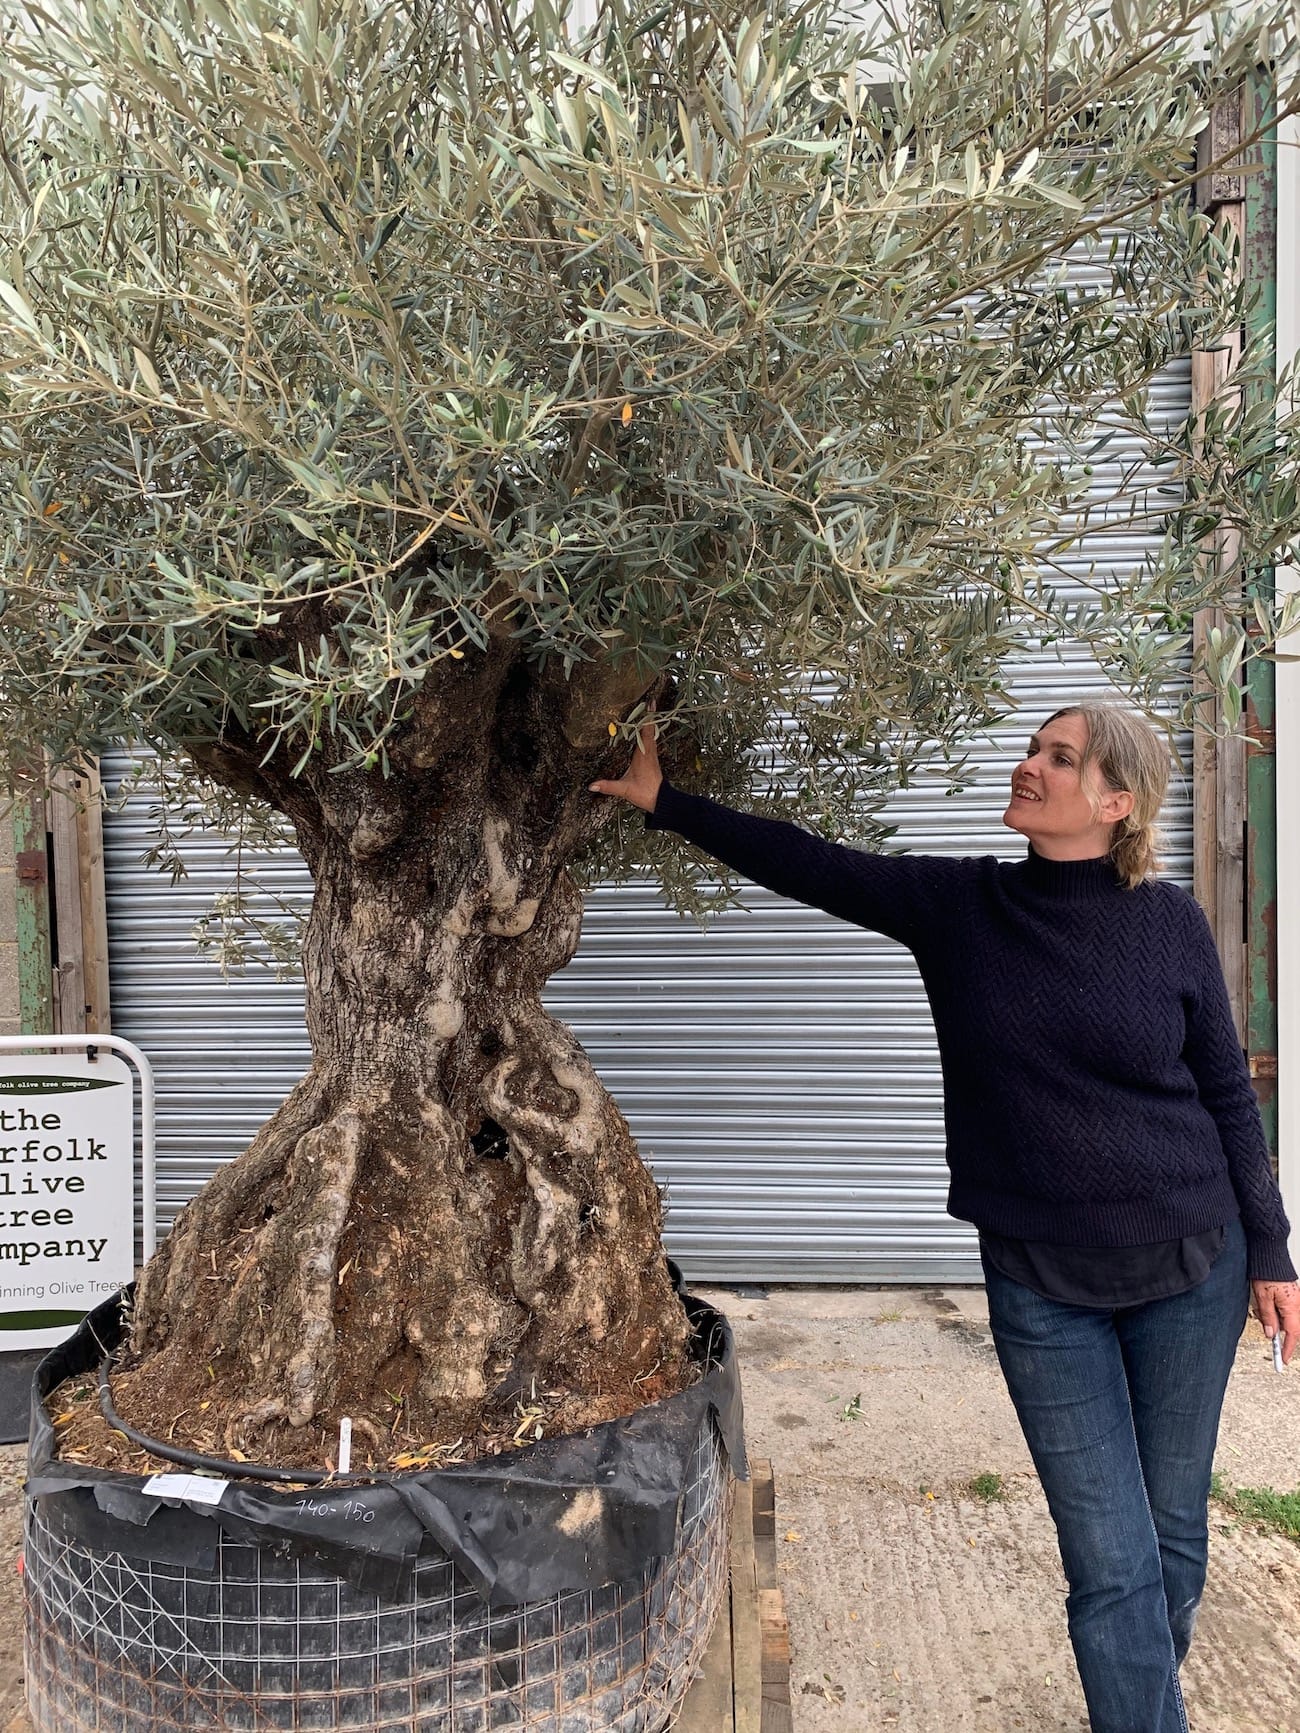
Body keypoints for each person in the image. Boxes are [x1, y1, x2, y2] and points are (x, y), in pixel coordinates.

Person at [590, 700, 1300, 1733]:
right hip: (1039, 1284)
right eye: (1032, 747)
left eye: (1058, 757)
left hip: (1191, 1269)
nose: (1028, 765)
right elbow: (809, 861)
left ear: (1114, 801)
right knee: (1111, 1559)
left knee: (1170, 1531)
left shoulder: (1169, 923)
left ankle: (1142, 1691)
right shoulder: (961, 905)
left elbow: (1228, 1096)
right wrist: (667, 802)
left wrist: (1272, 1249)